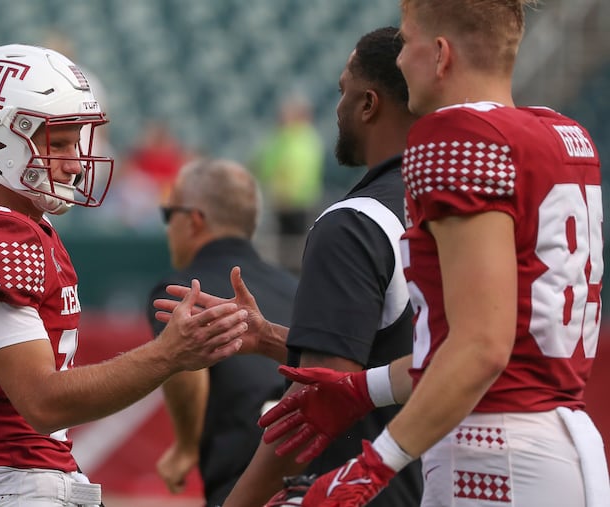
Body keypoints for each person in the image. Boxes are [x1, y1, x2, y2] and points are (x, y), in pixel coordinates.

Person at [259, 2, 610, 506]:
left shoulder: (456, 138)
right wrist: (362, 390)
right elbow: (485, 349)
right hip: (561, 448)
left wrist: (370, 467)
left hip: (492, 458)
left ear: (440, 54)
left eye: (407, 42)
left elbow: (480, 350)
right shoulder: (561, 135)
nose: (400, 61)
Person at [0, 43, 249, 507]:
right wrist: (168, 355)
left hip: (28, 481)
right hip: (7, 484)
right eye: (61, 142)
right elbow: (43, 402)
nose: (75, 161)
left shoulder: (28, 229)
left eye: (78, 142)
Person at [154, 27, 422, 506]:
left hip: (367, 491)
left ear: (368, 103)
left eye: (342, 92)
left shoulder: (352, 225)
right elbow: (418, 358)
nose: (336, 109)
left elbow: (315, 410)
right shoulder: (457, 205)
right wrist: (276, 338)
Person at [146, 158, 298, 507]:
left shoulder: (182, 290)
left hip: (243, 476)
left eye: (170, 216)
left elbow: (185, 365)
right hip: (312, 471)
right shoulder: (297, 287)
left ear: (194, 221)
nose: (168, 228)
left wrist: (185, 448)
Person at [252, 92, 325, 272]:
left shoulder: (294, 138)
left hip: (292, 201)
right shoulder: (302, 138)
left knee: (290, 247)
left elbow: (271, 166)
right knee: (290, 247)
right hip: (293, 201)